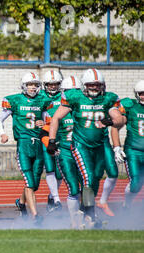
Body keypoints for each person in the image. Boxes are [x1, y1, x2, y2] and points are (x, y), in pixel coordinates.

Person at [47, 68, 126, 229]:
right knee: (86, 180)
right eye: (91, 85)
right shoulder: (74, 99)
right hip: (79, 146)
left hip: (98, 147)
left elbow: (120, 118)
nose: (95, 88)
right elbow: (55, 118)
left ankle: (85, 211)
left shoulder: (108, 99)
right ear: (84, 86)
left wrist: (111, 121)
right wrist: (52, 140)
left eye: (98, 85)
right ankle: (90, 215)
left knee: (95, 179)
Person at [0, 72, 50, 223]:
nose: (33, 87)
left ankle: (21, 202)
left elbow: (49, 121)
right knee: (29, 182)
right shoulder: (15, 100)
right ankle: (35, 215)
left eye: (35, 84)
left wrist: (45, 124)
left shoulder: (43, 100)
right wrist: (2, 134)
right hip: (24, 143)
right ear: (23, 86)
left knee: (34, 184)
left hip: (38, 144)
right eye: (30, 84)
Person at [40, 75, 84, 228]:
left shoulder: (86, 109)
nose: (73, 95)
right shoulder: (56, 112)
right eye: (69, 92)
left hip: (83, 152)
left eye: (76, 91)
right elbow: (44, 133)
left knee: (88, 186)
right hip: (65, 151)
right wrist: (51, 145)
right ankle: (74, 222)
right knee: (74, 188)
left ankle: (89, 215)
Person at [118, 80, 144, 210]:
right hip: (133, 151)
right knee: (135, 183)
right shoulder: (130, 105)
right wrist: (117, 147)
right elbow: (117, 120)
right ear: (137, 94)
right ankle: (126, 204)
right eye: (142, 93)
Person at [41, 70, 64, 213]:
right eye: (50, 84)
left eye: (56, 84)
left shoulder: (64, 96)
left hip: (61, 135)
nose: (53, 86)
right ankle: (56, 199)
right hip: (45, 134)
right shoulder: (40, 96)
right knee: (49, 168)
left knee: (60, 172)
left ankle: (52, 196)